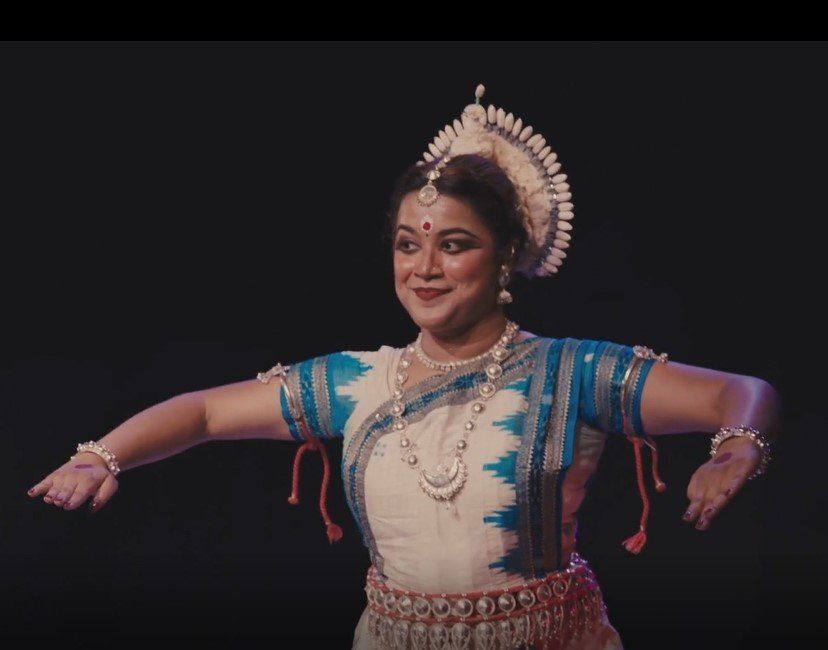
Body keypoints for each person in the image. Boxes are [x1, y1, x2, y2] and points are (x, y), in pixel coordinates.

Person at [26, 84, 781, 649]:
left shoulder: (570, 374)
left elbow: (739, 392)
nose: (424, 268)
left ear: (506, 259)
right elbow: (205, 413)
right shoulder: (356, 381)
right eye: (406, 244)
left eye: (454, 245)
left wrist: (739, 442)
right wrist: (103, 457)